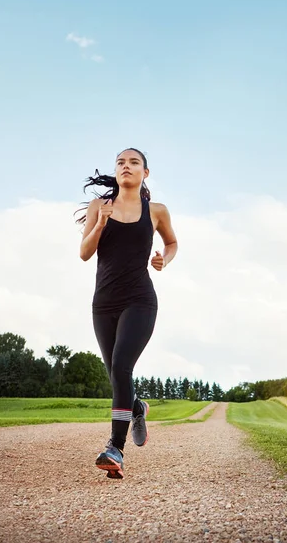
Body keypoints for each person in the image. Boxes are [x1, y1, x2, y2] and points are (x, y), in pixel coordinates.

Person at [76, 148, 177, 479]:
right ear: (116, 171)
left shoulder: (156, 211)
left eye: (134, 162)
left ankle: (115, 448)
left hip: (140, 300)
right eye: (120, 162)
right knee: (115, 374)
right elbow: (84, 253)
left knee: (122, 366)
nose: (126, 166)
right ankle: (136, 408)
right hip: (103, 303)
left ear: (145, 173)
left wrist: (164, 258)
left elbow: (172, 243)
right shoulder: (99, 207)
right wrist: (101, 223)